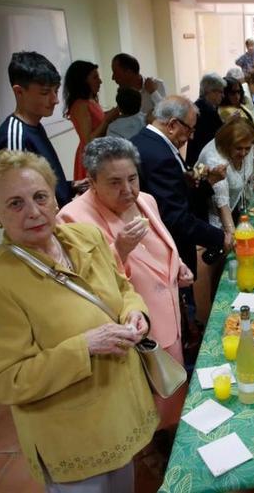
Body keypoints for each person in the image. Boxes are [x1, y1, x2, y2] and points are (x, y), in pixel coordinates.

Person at [0, 150, 158, 491]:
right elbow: (5, 380)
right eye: (15, 204)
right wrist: (84, 347)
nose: (34, 211)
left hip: (122, 412)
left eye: (40, 197)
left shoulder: (88, 237)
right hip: (74, 437)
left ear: (55, 198)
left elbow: (122, 286)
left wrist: (135, 311)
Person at [58, 136, 192, 431]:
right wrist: (119, 250)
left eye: (132, 178)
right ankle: (148, 450)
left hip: (168, 313)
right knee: (143, 400)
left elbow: (161, 247)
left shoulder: (146, 200)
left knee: (171, 386)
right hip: (133, 326)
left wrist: (177, 264)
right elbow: (84, 285)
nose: (128, 190)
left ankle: (170, 437)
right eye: (115, 182)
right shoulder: (72, 219)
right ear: (92, 181)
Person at [131, 96, 228, 279]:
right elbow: (175, 217)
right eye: (189, 129)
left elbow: (176, 192)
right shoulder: (160, 156)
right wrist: (220, 237)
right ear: (173, 124)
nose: (191, 136)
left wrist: (205, 182)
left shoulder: (145, 140)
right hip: (168, 251)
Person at [0, 51, 75, 207]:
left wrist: (70, 186)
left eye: (55, 91)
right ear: (19, 92)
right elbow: (19, 201)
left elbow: (42, 180)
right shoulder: (13, 137)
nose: (55, 100)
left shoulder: (36, 125)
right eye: (45, 93)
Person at [195, 118, 254, 323]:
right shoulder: (215, 160)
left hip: (234, 211)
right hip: (207, 216)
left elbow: (244, 174)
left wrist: (250, 184)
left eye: (247, 149)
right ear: (226, 145)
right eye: (238, 149)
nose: (243, 153)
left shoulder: (246, 148)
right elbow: (220, 203)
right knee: (219, 267)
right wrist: (231, 233)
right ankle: (214, 317)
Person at [64, 60, 120, 180]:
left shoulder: (90, 101)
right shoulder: (80, 105)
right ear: (83, 81)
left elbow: (96, 121)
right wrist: (107, 119)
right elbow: (88, 140)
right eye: (95, 78)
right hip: (91, 156)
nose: (100, 81)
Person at [186, 73, 226, 167]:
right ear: (209, 91)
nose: (223, 95)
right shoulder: (203, 110)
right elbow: (216, 135)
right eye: (220, 92)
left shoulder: (208, 106)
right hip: (202, 161)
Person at [111, 53, 166, 117]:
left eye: (115, 72)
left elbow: (166, 114)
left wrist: (153, 92)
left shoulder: (157, 84)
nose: (113, 78)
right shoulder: (123, 94)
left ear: (128, 72)